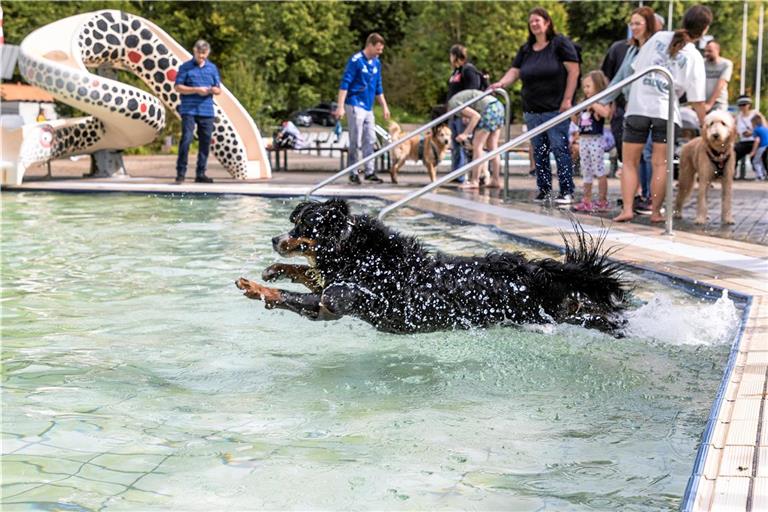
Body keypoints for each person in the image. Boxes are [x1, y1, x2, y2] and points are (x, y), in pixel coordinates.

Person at [613, 5, 711, 223]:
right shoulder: (694, 56)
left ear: (684, 20)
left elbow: (637, 68)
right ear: (704, 30)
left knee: (629, 162)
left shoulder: (657, 38)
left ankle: (627, 209)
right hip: (666, 112)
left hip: (638, 107)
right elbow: (697, 100)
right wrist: (705, 123)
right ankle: (656, 213)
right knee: (661, 164)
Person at [490, 7, 580, 205]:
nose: (534, 24)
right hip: (532, 109)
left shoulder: (559, 44)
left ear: (547, 22)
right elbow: (514, 71)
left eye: (538, 20)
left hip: (556, 109)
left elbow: (574, 71)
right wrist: (501, 83)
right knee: (539, 151)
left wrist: (567, 99)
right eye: (531, 21)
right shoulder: (526, 49)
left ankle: (566, 191)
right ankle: (544, 190)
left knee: (560, 149)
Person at [599, 7, 661, 215]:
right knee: (631, 158)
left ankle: (653, 202)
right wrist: (602, 100)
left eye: (638, 23)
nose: (633, 28)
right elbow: (619, 80)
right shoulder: (632, 50)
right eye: (631, 24)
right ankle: (630, 206)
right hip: (633, 108)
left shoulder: (655, 49)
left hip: (653, 109)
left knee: (651, 155)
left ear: (648, 24)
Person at [334, 33, 390, 184]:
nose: (380, 52)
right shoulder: (356, 61)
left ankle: (368, 171)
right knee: (355, 141)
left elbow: (378, 86)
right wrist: (340, 107)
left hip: (368, 106)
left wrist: (384, 106)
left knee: (370, 139)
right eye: (378, 49)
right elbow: (345, 84)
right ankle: (353, 172)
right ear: (370, 45)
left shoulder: (376, 63)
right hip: (354, 104)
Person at [174, 39, 221, 184]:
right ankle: (180, 173)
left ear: (207, 53)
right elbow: (177, 87)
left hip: (207, 110)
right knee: (186, 139)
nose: (202, 57)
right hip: (189, 109)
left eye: (204, 55)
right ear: (194, 51)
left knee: (205, 142)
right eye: (199, 54)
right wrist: (196, 89)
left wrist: (214, 90)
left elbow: (218, 89)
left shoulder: (212, 68)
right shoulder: (185, 67)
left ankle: (200, 173)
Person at [447, 89, 504, 189]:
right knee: (493, 147)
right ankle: (496, 180)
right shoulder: (460, 98)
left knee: (477, 146)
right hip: (498, 105)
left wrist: (465, 134)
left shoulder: (453, 104)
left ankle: (474, 181)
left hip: (488, 109)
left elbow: (475, 116)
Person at [573, 71, 612, 212]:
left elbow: (606, 113)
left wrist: (593, 105)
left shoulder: (602, 101)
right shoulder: (584, 102)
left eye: (589, 86)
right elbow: (576, 120)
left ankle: (602, 200)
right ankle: (587, 200)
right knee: (586, 170)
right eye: (584, 87)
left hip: (596, 139)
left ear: (598, 86)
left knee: (599, 169)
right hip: (584, 139)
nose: (586, 90)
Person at [446, 44, 483, 183]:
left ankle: (466, 175)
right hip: (454, 113)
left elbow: (472, 91)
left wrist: (469, 113)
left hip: (464, 113)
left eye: (451, 55)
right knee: (456, 146)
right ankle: (456, 173)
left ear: (455, 56)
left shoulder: (468, 70)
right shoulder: (455, 72)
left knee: (464, 145)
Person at [703, 41, 733, 113]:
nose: (706, 53)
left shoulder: (726, 64)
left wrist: (710, 104)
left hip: (719, 103)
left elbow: (721, 84)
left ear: (717, 50)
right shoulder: (702, 63)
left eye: (710, 51)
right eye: (705, 51)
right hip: (703, 103)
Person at [734, 95, 757, 179]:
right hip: (743, 142)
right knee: (733, 152)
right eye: (740, 105)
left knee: (756, 156)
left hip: (755, 141)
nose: (742, 107)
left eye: (744, 104)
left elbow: (764, 128)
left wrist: (752, 133)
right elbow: (734, 131)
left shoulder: (755, 114)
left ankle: (761, 173)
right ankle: (732, 173)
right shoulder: (738, 117)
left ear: (749, 105)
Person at [750, 114, 768, 180]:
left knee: (756, 161)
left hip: (762, 146)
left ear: (753, 123)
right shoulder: (765, 128)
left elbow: (757, 140)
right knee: (763, 161)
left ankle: (760, 176)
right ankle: (765, 174)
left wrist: (753, 151)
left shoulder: (756, 130)